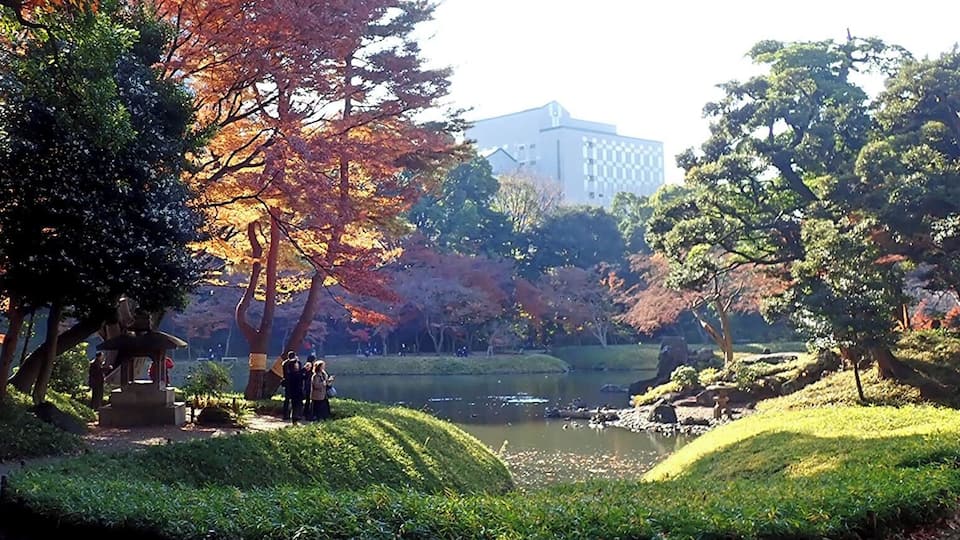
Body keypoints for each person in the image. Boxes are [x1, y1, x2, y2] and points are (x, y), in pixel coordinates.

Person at [281, 351, 303, 422]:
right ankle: (296, 415)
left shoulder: (284, 363)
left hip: (287, 382)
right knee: (296, 400)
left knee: (287, 399)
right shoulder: (295, 363)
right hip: (294, 384)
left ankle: (285, 414)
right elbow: (299, 372)